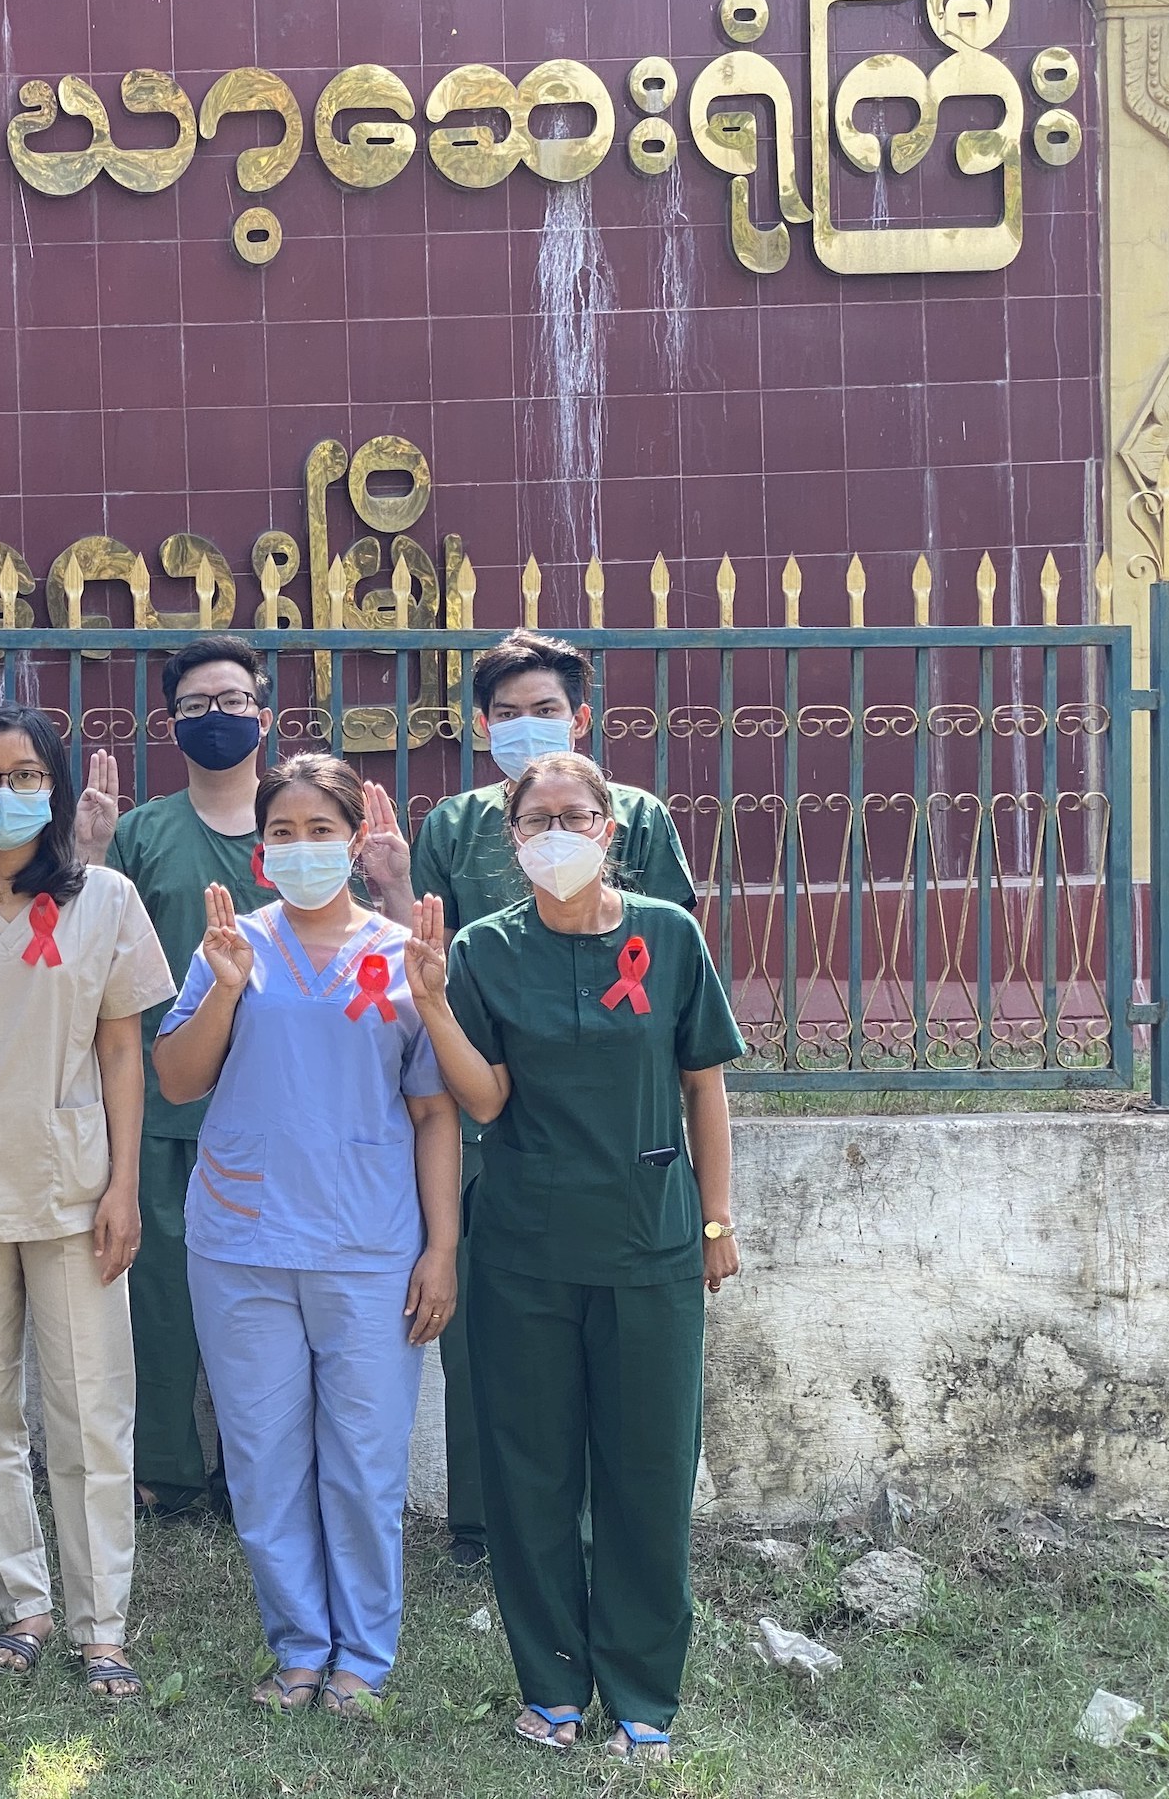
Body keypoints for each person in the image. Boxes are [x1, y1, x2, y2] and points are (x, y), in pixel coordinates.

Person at [405, 751, 742, 1765]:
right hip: (525, 1250)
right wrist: (429, 1003)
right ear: (510, 839)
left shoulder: (668, 937)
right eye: (533, 817)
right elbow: (486, 1101)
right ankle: (551, 1687)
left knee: (644, 1474)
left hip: (648, 1241)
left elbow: (703, 1088)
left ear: (610, 829)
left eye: (573, 813)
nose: (553, 831)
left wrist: (716, 1221)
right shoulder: (484, 949)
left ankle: (643, 1696)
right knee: (530, 1473)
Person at [151, 753, 460, 1713]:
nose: (302, 847)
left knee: (365, 1464)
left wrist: (441, 1247)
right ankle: (297, 1648)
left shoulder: (398, 951)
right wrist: (229, 989)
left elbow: (436, 1111)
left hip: (368, 1246)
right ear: (258, 851)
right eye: (281, 832)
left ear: (356, 842)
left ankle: (362, 1660)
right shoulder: (228, 947)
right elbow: (176, 1079)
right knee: (265, 1455)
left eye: (321, 830)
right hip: (241, 1243)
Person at [0, 704, 173, 1700]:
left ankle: (102, 1625)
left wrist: (124, 1186)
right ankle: (23, 1603)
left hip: (73, 1183)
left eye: (24, 775)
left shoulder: (104, 897)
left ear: (52, 790)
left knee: (92, 1411)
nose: (4, 792)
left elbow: (119, 1047)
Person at [403, 630, 697, 1568]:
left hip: (611, 1128)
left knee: (617, 1351)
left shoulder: (640, 817)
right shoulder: (452, 827)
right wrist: (379, 878)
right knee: (493, 1341)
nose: (526, 728)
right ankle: (487, 1526)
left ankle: (605, 1526)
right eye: (506, 713)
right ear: (479, 726)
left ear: (582, 716)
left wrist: (718, 1215)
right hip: (488, 1111)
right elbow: (431, 959)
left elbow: (678, 972)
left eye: (546, 709)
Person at [101, 637, 406, 1519]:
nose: (216, 718)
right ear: (170, 723)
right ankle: (165, 1468)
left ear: (267, 715)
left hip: (300, 1123)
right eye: (195, 706)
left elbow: (396, 975)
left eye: (234, 701)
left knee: (288, 1319)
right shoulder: (144, 833)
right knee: (161, 1302)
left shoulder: (302, 838)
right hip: (169, 1113)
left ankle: (263, 1476)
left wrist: (393, 881)